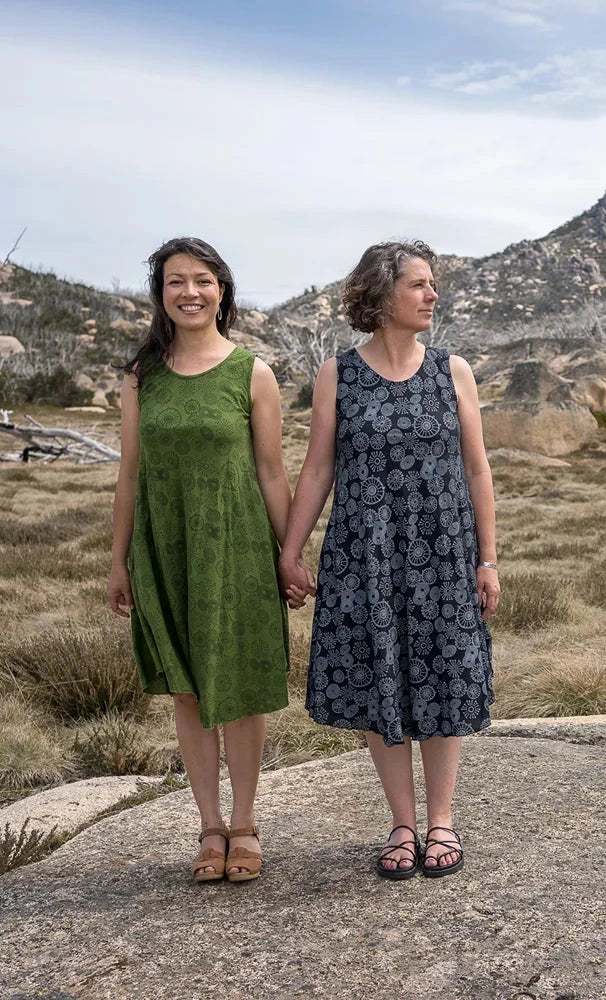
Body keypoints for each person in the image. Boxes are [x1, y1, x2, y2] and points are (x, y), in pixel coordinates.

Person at [279, 240, 499, 879]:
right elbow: (318, 468)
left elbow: (477, 468)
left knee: (443, 676)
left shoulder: (452, 370)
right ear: (380, 295)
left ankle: (441, 822)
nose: (433, 295)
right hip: (366, 551)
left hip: (442, 550)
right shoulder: (337, 374)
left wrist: (488, 558)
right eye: (419, 285)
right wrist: (291, 552)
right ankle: (402, 822)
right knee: (382, 679)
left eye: (433, 284)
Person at [107, 236, 299, 883]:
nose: (189, 292)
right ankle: (208, 828)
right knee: (188, 693)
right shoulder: (144, 375)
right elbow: (129, 473)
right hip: (166, 549)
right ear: (160, 296)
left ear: (223, 289)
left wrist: (291, 554)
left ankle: (244, 824)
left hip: (239, 549)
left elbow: (272, 474)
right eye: (174, 282)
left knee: (240, 691)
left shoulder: (252, 372)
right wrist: (118, 562)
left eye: (202, 280)